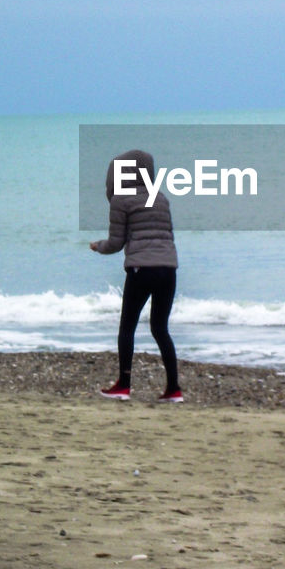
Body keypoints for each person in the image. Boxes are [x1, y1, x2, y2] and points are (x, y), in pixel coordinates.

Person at [89, 149, 183, 402]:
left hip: (141, 269)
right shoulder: (161, 198)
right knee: (160, 329)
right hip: (169, 269)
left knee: (127, 327)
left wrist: (98, 246)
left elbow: (116, 243)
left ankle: (124, 385)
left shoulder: (121, 200)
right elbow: (168, 236)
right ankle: (174, 389)